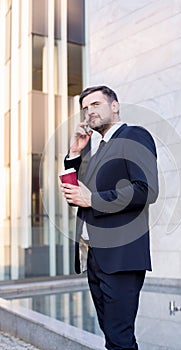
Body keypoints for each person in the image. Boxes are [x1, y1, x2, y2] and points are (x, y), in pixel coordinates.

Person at [61, 85, 159, 350]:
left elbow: (146, 190)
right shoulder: (96, 149)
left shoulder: (134, 135)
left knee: (119, 337)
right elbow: (77, 191)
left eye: (95, 104)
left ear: (114, 106)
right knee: (113, 337)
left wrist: (92, 199)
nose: (89, 111)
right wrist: (74, 152)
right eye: (84, 108)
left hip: (122, 256)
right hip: (96, 257)